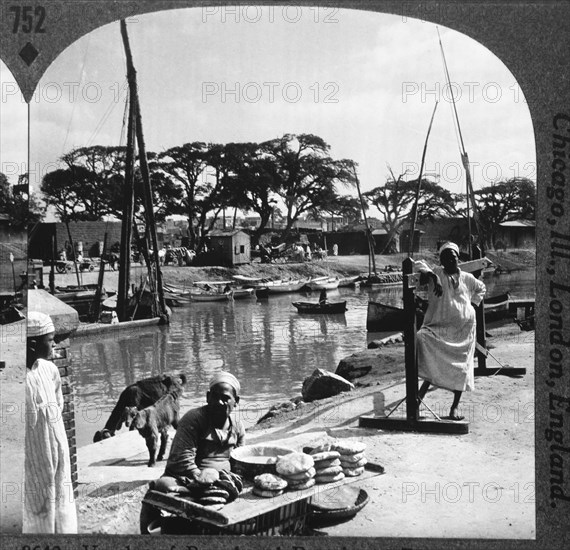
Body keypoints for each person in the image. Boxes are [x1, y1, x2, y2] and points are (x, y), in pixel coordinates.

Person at [140, 372, 245, 533]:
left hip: (221, 483)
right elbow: (182, 459)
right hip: (186, 480)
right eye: (214, 397)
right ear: (207, 397)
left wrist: (227, 482)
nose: (219, 402)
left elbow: (239, 459)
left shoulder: (237, 427)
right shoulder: (194, 419)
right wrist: (202, 480)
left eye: (225, 398)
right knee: (163, 486)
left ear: (236, 401)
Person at [414, 242, 486, 421]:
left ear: (458, 258)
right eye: (445, 258)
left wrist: (473, 305)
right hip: (439, 328)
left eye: (453, 257)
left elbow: (481, 288)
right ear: (441, 261)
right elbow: (417, 264)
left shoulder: (467, 278)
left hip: (464, 331)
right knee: (423, 341)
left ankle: (454, 408)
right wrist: (432, 275)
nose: (450, 261)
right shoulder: (437, 273)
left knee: (461, 370)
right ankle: (415, 404)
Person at [24, 312, 77, 534]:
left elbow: (58, 405)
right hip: (32, 462)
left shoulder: (50, 370)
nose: (54, 344)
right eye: (50, 339)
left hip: (58, 455)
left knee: (62, 506)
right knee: (36, 511)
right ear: (33, 344)